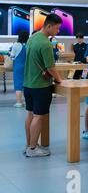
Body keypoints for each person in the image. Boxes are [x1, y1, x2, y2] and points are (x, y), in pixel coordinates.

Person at [23, 14, 63, 157]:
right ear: (49, 26)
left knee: (30, 114)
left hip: (28, 84)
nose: (58, 31)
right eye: (57, 28)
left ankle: (29, 145)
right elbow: (51, 68)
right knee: (39, 116)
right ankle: (33, 149)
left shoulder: (32, 38)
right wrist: (59, 79)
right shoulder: (46, 44)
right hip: (40, 86)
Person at [10, 30, 29, 108]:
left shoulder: (16, 45)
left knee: (18, 85)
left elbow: (12, 56)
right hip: (27, 67)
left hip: (18, 67)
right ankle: (26, 101)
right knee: (26, 84)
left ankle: (19, 102)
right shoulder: (28, 45)